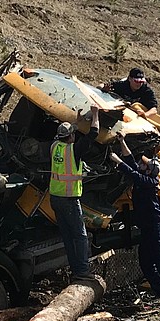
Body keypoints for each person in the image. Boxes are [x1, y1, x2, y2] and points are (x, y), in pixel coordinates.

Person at [108, 134, 160, 315]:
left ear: (147, 170)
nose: (140, 164)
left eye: (143, 164)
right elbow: (130, 161)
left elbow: (130, 171)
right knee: (145, 261)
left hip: (155, 228)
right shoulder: (145, 176)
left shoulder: (148, 182)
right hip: (148, 229)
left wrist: (116, 160)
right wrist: (122, 142)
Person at [50, 102, 100, 282]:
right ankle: (82, 270)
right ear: (71, 136)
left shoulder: (54, 146)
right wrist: (95, 115)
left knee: (68, 236)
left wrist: (77, 123)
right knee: (80, 236)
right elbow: (93, 134)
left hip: (55, 198)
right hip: (69, 199)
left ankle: (75, 269)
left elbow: (68, 135)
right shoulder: (74, 150)